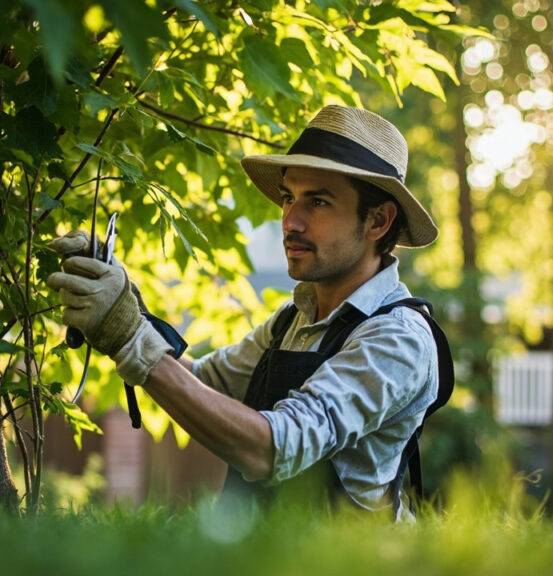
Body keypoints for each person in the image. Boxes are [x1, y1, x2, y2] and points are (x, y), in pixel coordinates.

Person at [47, 105, 445, 521]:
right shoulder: (292, 320)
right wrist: (128, 304)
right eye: (289, 197)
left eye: (319, 202)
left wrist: (129, 337)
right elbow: (202, 383)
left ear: (378, 221)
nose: (290, 221)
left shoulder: (398, 338)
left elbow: (272, 450)